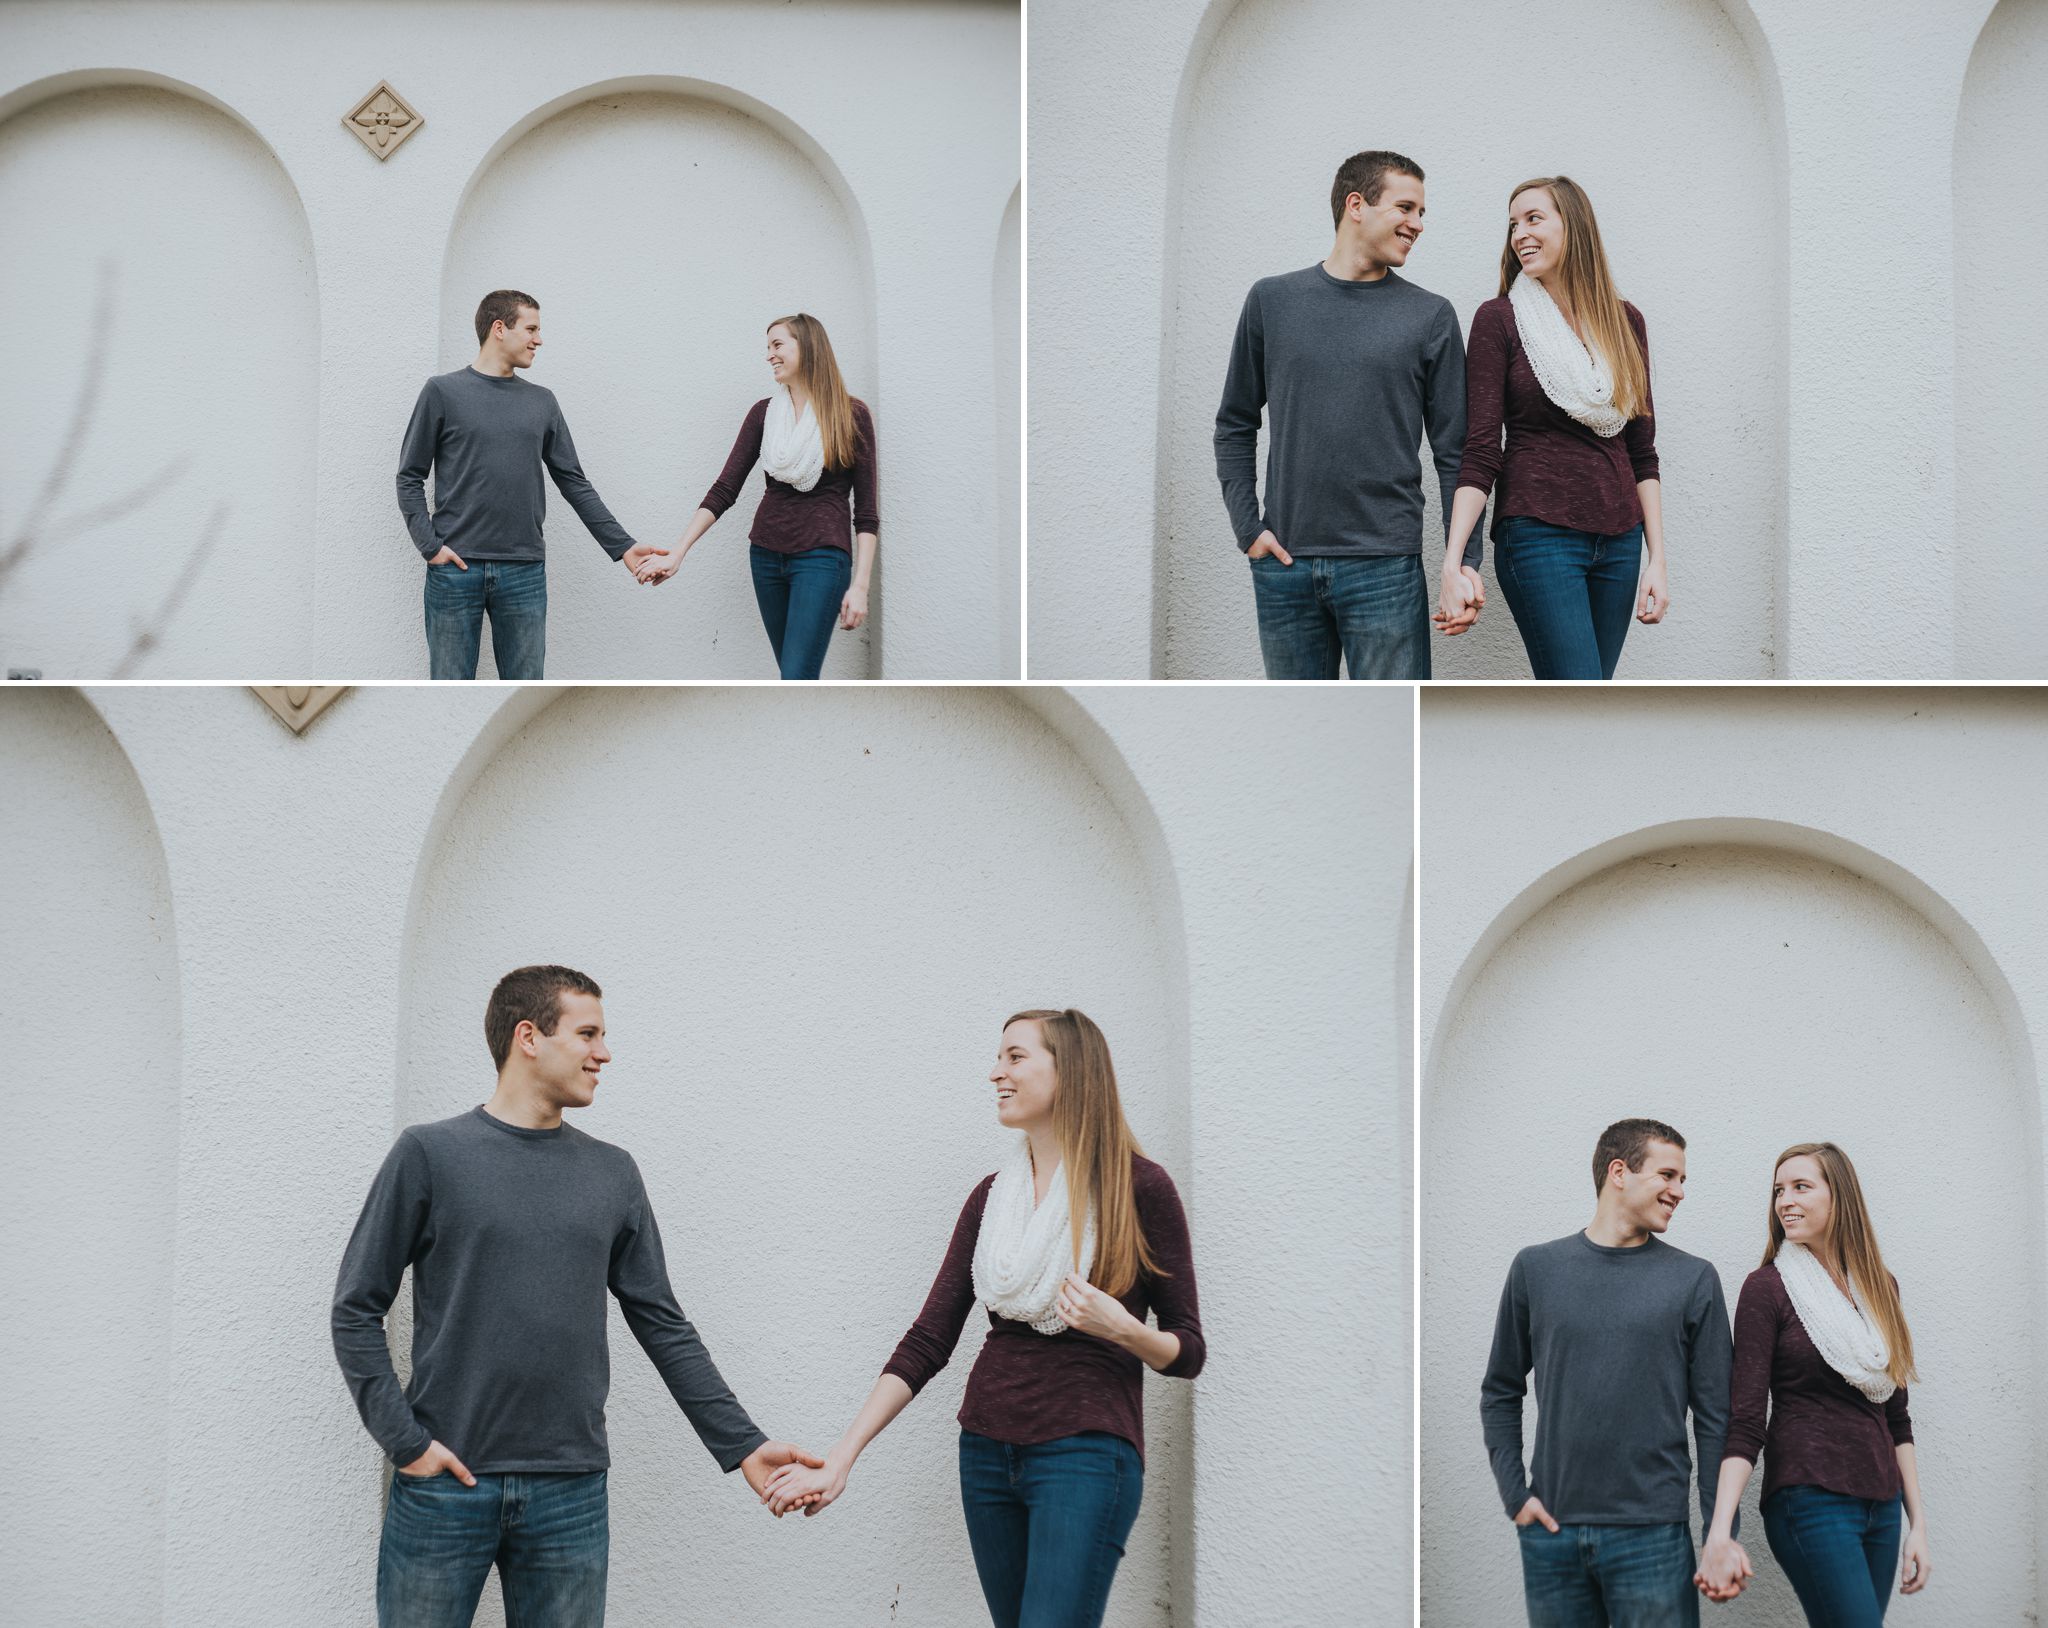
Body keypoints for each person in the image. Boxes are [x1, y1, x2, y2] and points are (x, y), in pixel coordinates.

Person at [331, 964, 821, 1628]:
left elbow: (663, 1324)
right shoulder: (430, 1155)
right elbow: (356, 1307)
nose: (604, 1052)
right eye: (588, 1033)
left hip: (571, 1493)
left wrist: (742, 1446)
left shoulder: (611, 1172)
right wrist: (406, 1444)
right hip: (445, 1486)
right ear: (528, 1036)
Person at [757, 1008, 1205, 1628]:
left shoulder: (1140, 1188)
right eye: (1000, 1058)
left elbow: (1189, 1351)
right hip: (988, 1453)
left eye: (1015, 1057)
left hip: (1085, 1456)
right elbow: (929, 1337)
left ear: (1069, 1070)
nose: (996, 1072)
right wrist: (843, 1456)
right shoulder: (992, 1198)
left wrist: (1125, 1329)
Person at [1212, 149, 1475, 680]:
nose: (1417, 225)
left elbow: (1458, 453)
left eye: (1422, 213)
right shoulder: (1272, 301)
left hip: (1387, 569)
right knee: (1299, 731)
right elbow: (1235, 423)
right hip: (1284, 566)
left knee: (1399, 724)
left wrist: (1465, 562)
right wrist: (1247, 528)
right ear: (1357, 204)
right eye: (1406, 208)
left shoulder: (1430, 316)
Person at [1481, 1118, 1732, 1627]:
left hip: (1653, 1537)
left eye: (1683, 1180)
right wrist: (1515, 1495)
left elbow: (1715, 1419)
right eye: (1668, 1175)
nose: (1678, 1191)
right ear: (1619, 1171)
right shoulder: (1536, 1269)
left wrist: (1717, 1533)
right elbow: (1501, 1389)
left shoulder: (1694, 1279)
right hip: (1553, 1534)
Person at [1434, 176, 1668, 678]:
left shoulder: (1626, 323)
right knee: (1576, 695)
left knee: (1589, 707)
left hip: (1621, 540)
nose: (1519, 234)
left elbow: (1642, 452)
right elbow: (1480, 450)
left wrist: (1658, 560)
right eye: (1513, 224)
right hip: (1538, 535)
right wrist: (1453, 562)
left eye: (1533, 219)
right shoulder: (1499, 319)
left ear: (1574, 225)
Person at [1694, 1143, 1930, 1622]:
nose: (1785, 1200)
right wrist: (1720, 1530)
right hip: (1809, 1499)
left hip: (1882, 1506)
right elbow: (1745, 1420)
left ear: (1839, 1197)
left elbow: (1896, 1419)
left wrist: (1918, 1525)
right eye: (1779, 1190)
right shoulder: (1767, 1288)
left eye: (1801, 1187)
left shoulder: (1881, 1287)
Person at [397, 290, 661, 680]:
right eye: (531, 328)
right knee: (448, 687)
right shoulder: (442, 392)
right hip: (455, 571)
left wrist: (622, 546)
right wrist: (430, 547)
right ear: (499, 328)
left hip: (523, 572)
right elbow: (409, 476)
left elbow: (574, 482)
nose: (539, 339)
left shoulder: (542, 401)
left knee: (525, 684)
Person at [634, 313, 878, 680]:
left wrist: (860, 586)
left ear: (808, 348)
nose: (769, 356)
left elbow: (867, 513)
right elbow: (725, 488)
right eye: (768, 347)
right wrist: (679, 552)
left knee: (796, 676)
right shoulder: (764, 414)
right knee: (793, 676)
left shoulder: (850, 415)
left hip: (822, 559)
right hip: (765, 557)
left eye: (778, 345)